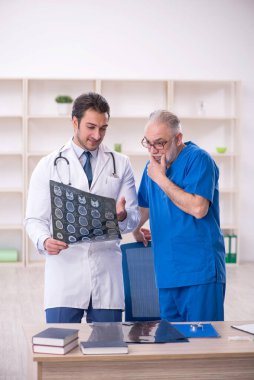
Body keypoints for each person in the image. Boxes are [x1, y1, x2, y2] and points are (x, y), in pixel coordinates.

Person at [25, 92, 140, 323]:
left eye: (103, 128)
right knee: (61, 347)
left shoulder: (121, 163)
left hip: (106, 270)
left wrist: (123, 216)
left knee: (107, 349)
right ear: (74, 122)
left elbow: (134, 218)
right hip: (65, 271)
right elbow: (34, 220)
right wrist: (44, 240)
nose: (97, 135)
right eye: (91, 127)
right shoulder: (48, 165)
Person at [133, 110, 226, 322]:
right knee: (171, 348)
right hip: (167, 274)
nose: (153, 150)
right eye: (148, 143)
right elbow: (145, 208)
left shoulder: (199, 159)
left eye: (160, 143)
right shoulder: (152, 168)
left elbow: (198, 208)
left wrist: (161, 179)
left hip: (199, 273)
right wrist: (135, 229)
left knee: (203, 347)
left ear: (178, 138)